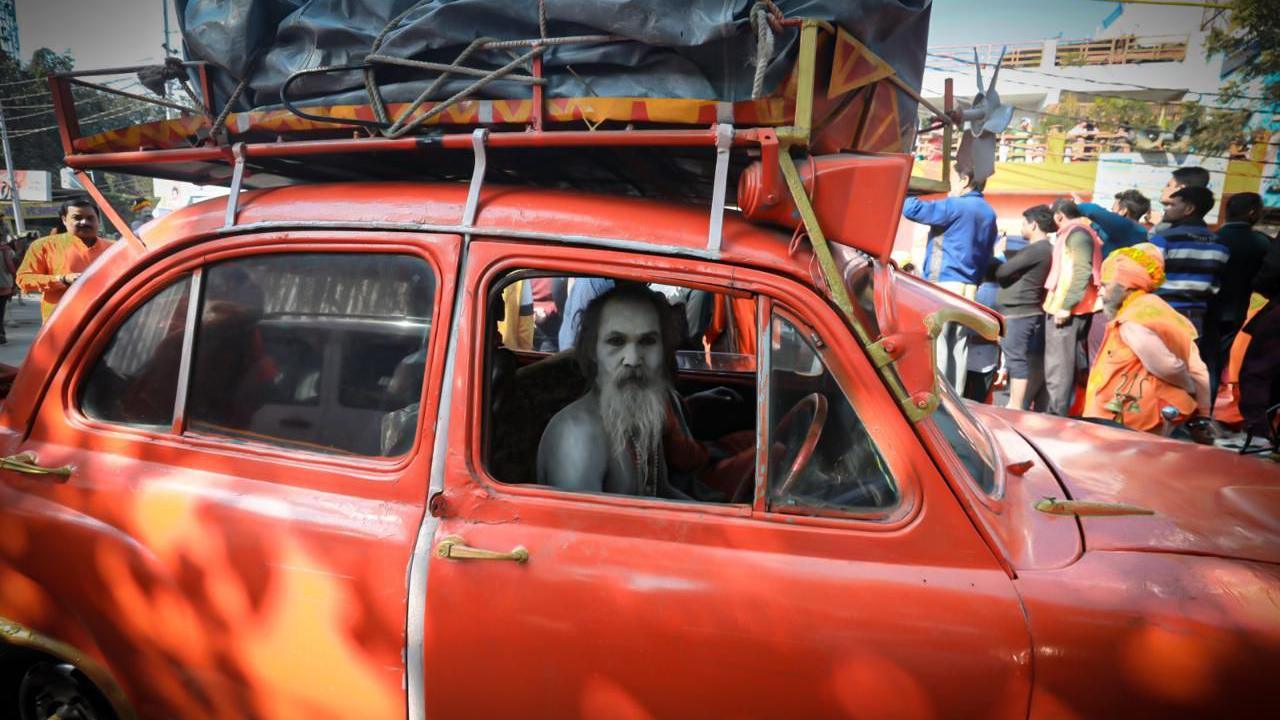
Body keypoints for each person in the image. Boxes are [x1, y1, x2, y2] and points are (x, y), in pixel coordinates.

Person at [536, 283, 752, 499]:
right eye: (616, 341)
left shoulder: (641, 414)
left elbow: (662, 492)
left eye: (648, 341)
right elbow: (585, 530)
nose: (632, 359)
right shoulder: (578, 435)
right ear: (593, 350)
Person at [1084, 243, 1210, 432]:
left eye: (1105, 285)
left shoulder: (1133, 319)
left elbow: (1167, 365)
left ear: (1126, 286)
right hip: (1149, 416)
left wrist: (1189, 386)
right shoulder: (1159, 308)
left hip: (1131, 421)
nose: (1100, 292)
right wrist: (1203, 409)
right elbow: (1198, 367)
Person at [901, 166, 998, 396]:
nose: (949, 186)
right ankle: (956, 399)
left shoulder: (956, 205)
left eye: (951, 180)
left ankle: (939, 399)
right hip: (970, 289)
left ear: (965, 180)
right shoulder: (988, 212)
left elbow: (911, 208)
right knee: (959, 348)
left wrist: (910, 187)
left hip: (945, 285)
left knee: (938, 345)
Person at [1150, 186, 1230, 400]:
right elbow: (1214, 285)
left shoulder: (1164, 239)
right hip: (1195, 317)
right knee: (1187, 367)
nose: (1166, 209)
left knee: (1157, 367)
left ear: (1189, 208)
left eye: (1171, 204)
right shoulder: (1220, 245)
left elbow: (1147, 277)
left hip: (1160, 314)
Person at [1208, 193, 1271, 405]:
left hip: (1202, 309)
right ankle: (1205, 412)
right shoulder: (1261, 243)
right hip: (1233, 312)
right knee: (1215, 361)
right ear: (1253, 213)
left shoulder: (1211, 238)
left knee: (1197, 360)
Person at [1042, 199, 1102, 417]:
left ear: (1059, 215)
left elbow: (1081, 272)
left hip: (1069, 309)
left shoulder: (1076, 234)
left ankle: (1056, 417)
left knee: (1059, 367)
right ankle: (1062, 413)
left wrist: (1066, 306)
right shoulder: (1081, 232)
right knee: (1067, 366)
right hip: (1075, 307)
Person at [16, 199, 116, 322]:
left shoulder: (114, 248)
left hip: (105, 320)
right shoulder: (44, 246)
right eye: (77, 218)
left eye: (90, 218)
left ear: (98, 220)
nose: (84, 222)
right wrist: (62, 279)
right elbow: (23, 279)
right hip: (62, 323)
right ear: (64, 220)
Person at [996, 205, 1055, 410]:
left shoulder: (1038, 248)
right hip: (1027, 310)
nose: (1021, 227)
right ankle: (1021, 402)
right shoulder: (1047, 249)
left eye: (1024, 222)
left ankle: (1015, 404)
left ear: (1034, 224)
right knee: (1028, 358)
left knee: (1015, 358)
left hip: (1019, 311)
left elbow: (1003, 270)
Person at [1077, 189, 1151, 259]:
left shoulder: (1126, 227)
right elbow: (1103, 233)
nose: (1111, 214)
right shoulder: (1136, 231)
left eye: (1112, 211)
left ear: (1123, 211)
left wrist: (1073, 207)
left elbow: (1091, 210)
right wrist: (1092, 223)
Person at [1153, 165, 1210, 231]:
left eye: (1168, 185)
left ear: (1181, 189)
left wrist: (1157, 228)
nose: (1163, 189)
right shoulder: (1199, 226)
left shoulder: (1168, 230)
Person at [0, 236, 16, 344]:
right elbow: (11, 267)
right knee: (1, 311)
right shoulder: (7, 250)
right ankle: (1, 335)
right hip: (5, 285)